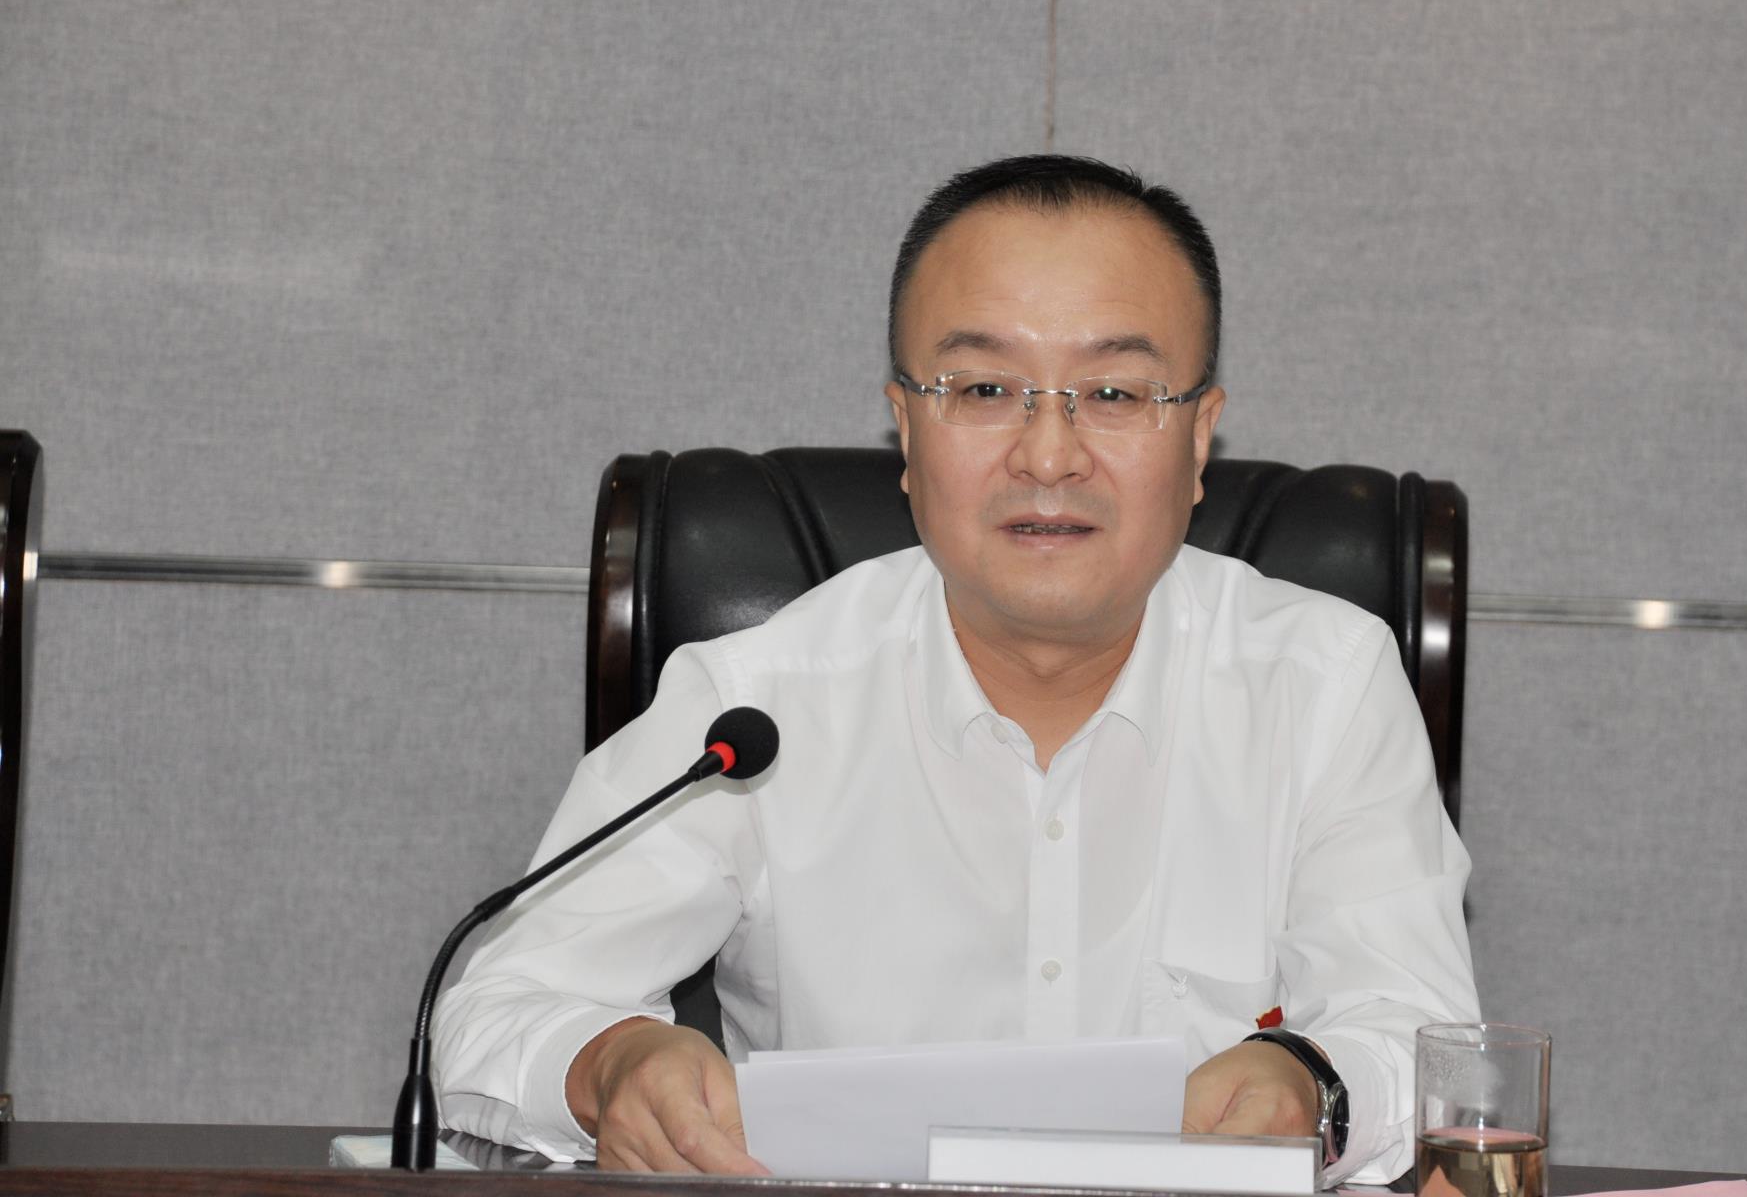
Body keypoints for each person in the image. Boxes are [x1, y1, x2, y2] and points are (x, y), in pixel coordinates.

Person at [434, 155, 1478, 1185]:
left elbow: (1421, 1039)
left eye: (1114, 391)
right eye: (984, 388)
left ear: (1200, 436)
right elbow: (496, 1009)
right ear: (905, 425)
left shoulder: (1324, 685)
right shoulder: (755, 705)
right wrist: (610, 1063)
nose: (1048, 454)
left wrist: (1312, 1082)